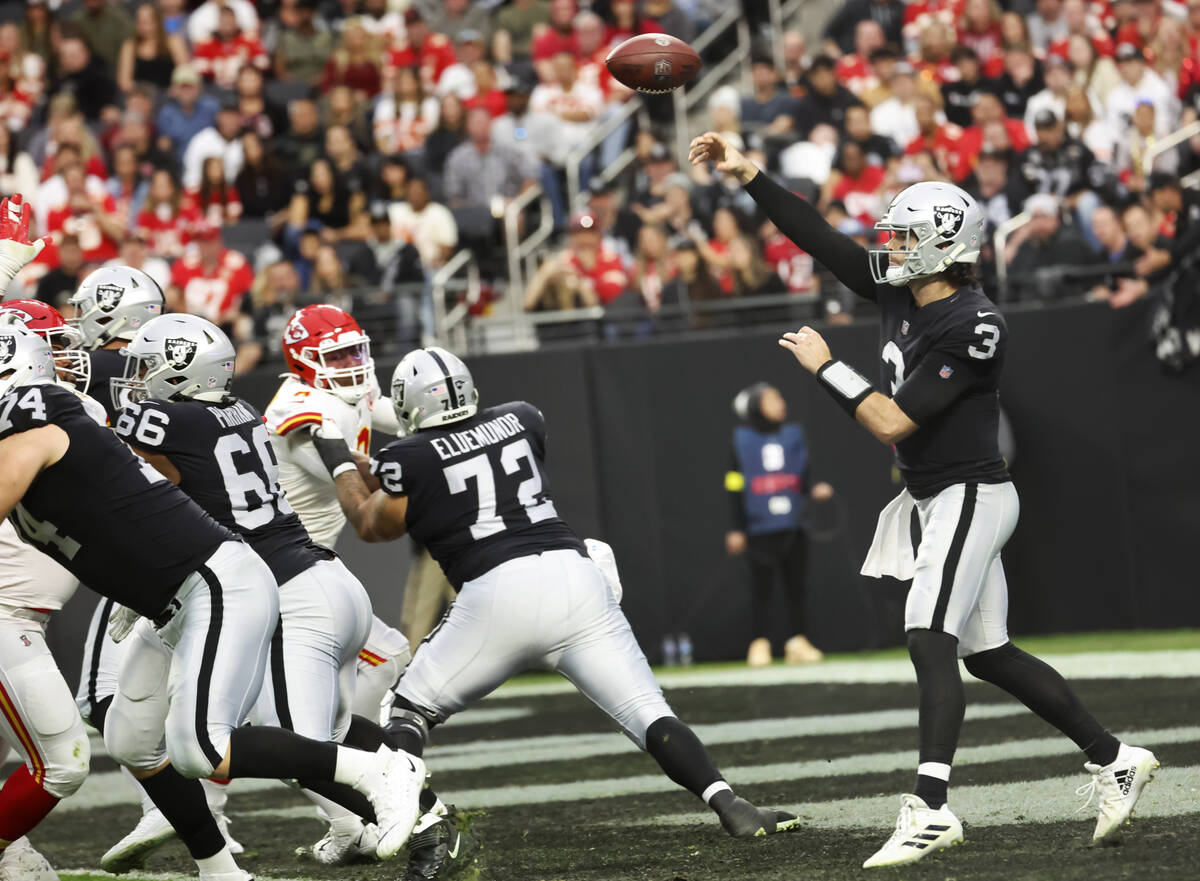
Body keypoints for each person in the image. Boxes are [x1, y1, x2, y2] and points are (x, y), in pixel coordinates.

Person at [688, 130, 1159, 868]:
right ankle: (1115, 755)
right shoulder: (899, 284)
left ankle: (931, 807)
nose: (894, 247)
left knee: (926, 634)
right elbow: (820, 238)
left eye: (908, 236)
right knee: (989, 652)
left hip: (971, 492)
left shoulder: (973, 322)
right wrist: (749, 174)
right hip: (939, 495)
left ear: (945, 244)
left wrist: (826, 367)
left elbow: (892, 421)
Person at [0, 201, 424, 879]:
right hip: (177, 591)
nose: (74, 357)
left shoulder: (39, 409)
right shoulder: (121, 403)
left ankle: (376, 772)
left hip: (216, 582)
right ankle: (221, 868)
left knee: (200, 747)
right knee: (133, 736)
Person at [307, 346, 803, 845]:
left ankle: (411, 825)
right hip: (576, 580)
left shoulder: (407, 456)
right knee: (650, 714)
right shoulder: (521, 419)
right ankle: (730, 804)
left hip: (497, 593)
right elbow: (461, 459)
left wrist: (338, 461)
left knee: (407, 710)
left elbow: (373, 524)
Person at [109, 313, 398, 866]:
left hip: (261, 583)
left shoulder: (178, 421)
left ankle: (408, 799)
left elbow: (100, 438)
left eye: (150, 366)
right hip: (269, 572)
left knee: (286, 739)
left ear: (182, 372)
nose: (138, 378)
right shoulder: (238, 411)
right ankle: (323, 824)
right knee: (156, 729)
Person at [261, 304, 436, 874]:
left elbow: (406, 415)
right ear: (305, 363)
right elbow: (355, 475)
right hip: (279, 576)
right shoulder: (299, 406)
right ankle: (359, 785)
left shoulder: (345, 391)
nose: (351, 364)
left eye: (354, 351)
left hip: (311, 565)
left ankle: (347, 800)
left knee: (384, 659)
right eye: (335, 356)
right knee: (300, 726)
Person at [0, 290, 104, 881]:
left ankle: (10, 846)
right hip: (6, 618)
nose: (65, 359)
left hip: (22, 616)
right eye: (50, 346)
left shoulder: (64, 413)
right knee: (62, 762)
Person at [725, 383, 834, 666]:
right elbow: (734, 484)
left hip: (793, 524)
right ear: (755, 407)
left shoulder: (793, 436)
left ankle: (797, 641)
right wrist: (737, 527)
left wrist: (813, 489)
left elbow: (802, 474)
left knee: (796, 586)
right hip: (758, 528)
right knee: (761, 589)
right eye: (772, 398)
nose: (780, 402)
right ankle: (759, 643)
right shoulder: (742, 440)